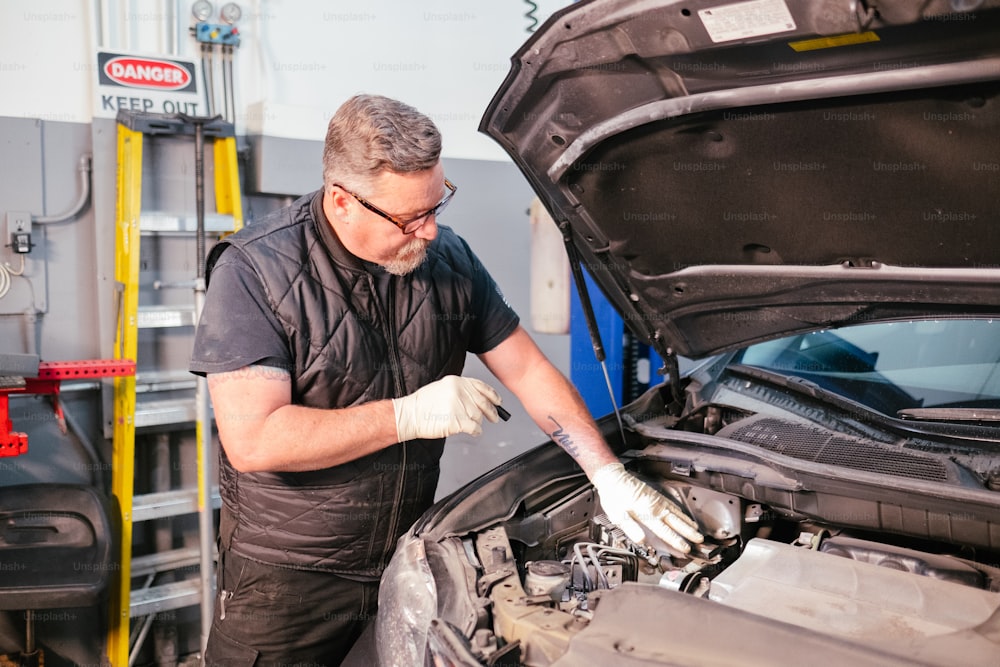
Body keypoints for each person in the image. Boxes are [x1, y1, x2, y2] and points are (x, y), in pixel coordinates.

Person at [189, 93, 703, 665]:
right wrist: (406, 415)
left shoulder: (448, 261)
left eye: (439, 205)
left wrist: (606, 471)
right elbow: (255, 440)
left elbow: (529, 369)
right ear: (342, 202)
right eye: (412, 217)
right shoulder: (255, 271)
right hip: (290, 578)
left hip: (410, 554)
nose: (431, 231)